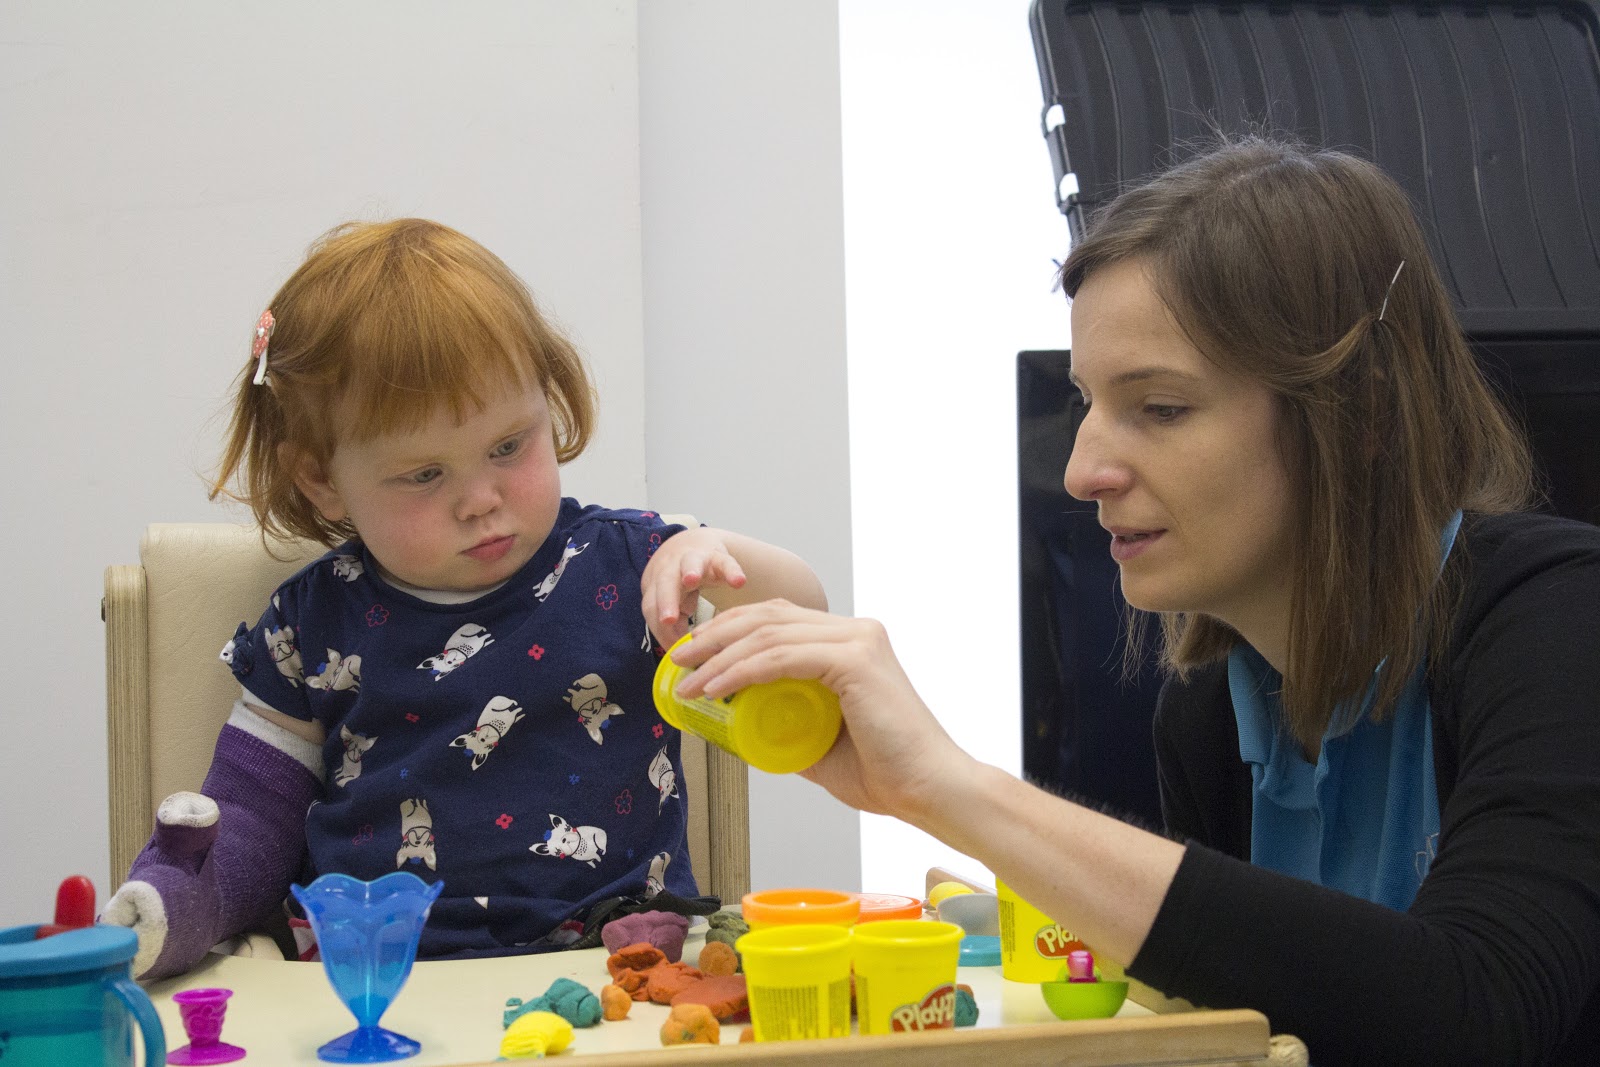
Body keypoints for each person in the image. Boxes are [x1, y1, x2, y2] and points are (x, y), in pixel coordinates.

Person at [668, 138, 1600, 1064]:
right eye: (1086, 404)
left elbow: (1480, 1012)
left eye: (1160, 408)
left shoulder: (1559, 621)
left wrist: (947, 785)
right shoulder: (1206, 717)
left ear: (1361, 415)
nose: (1080, 472)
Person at [104, 218, 826, 981]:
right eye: (424, 475)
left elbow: (811, 625)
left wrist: (718, 563)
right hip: (378, 982)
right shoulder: (313, 621)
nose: (481, 499)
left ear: (548, 404)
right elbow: (253, 813)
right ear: (321, 478)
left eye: (509, 446)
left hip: (625, 964)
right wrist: (182, 900)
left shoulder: (634, 563)